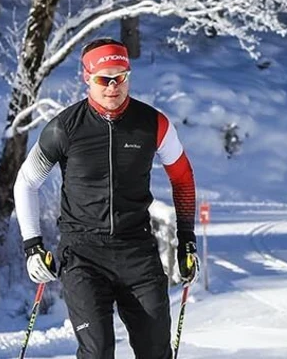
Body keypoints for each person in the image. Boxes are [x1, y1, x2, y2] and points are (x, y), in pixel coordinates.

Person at [12, 38, 200, 359]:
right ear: (87, 78)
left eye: (120, 77)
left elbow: (182, 177)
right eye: (103, 79)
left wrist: (186, 240)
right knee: (97, 351)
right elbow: (26, 182)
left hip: (136, 250)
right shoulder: (64, 128)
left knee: (155, 350)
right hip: (83, 254)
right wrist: (33, 247)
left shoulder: (152, 124)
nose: (113, 86)